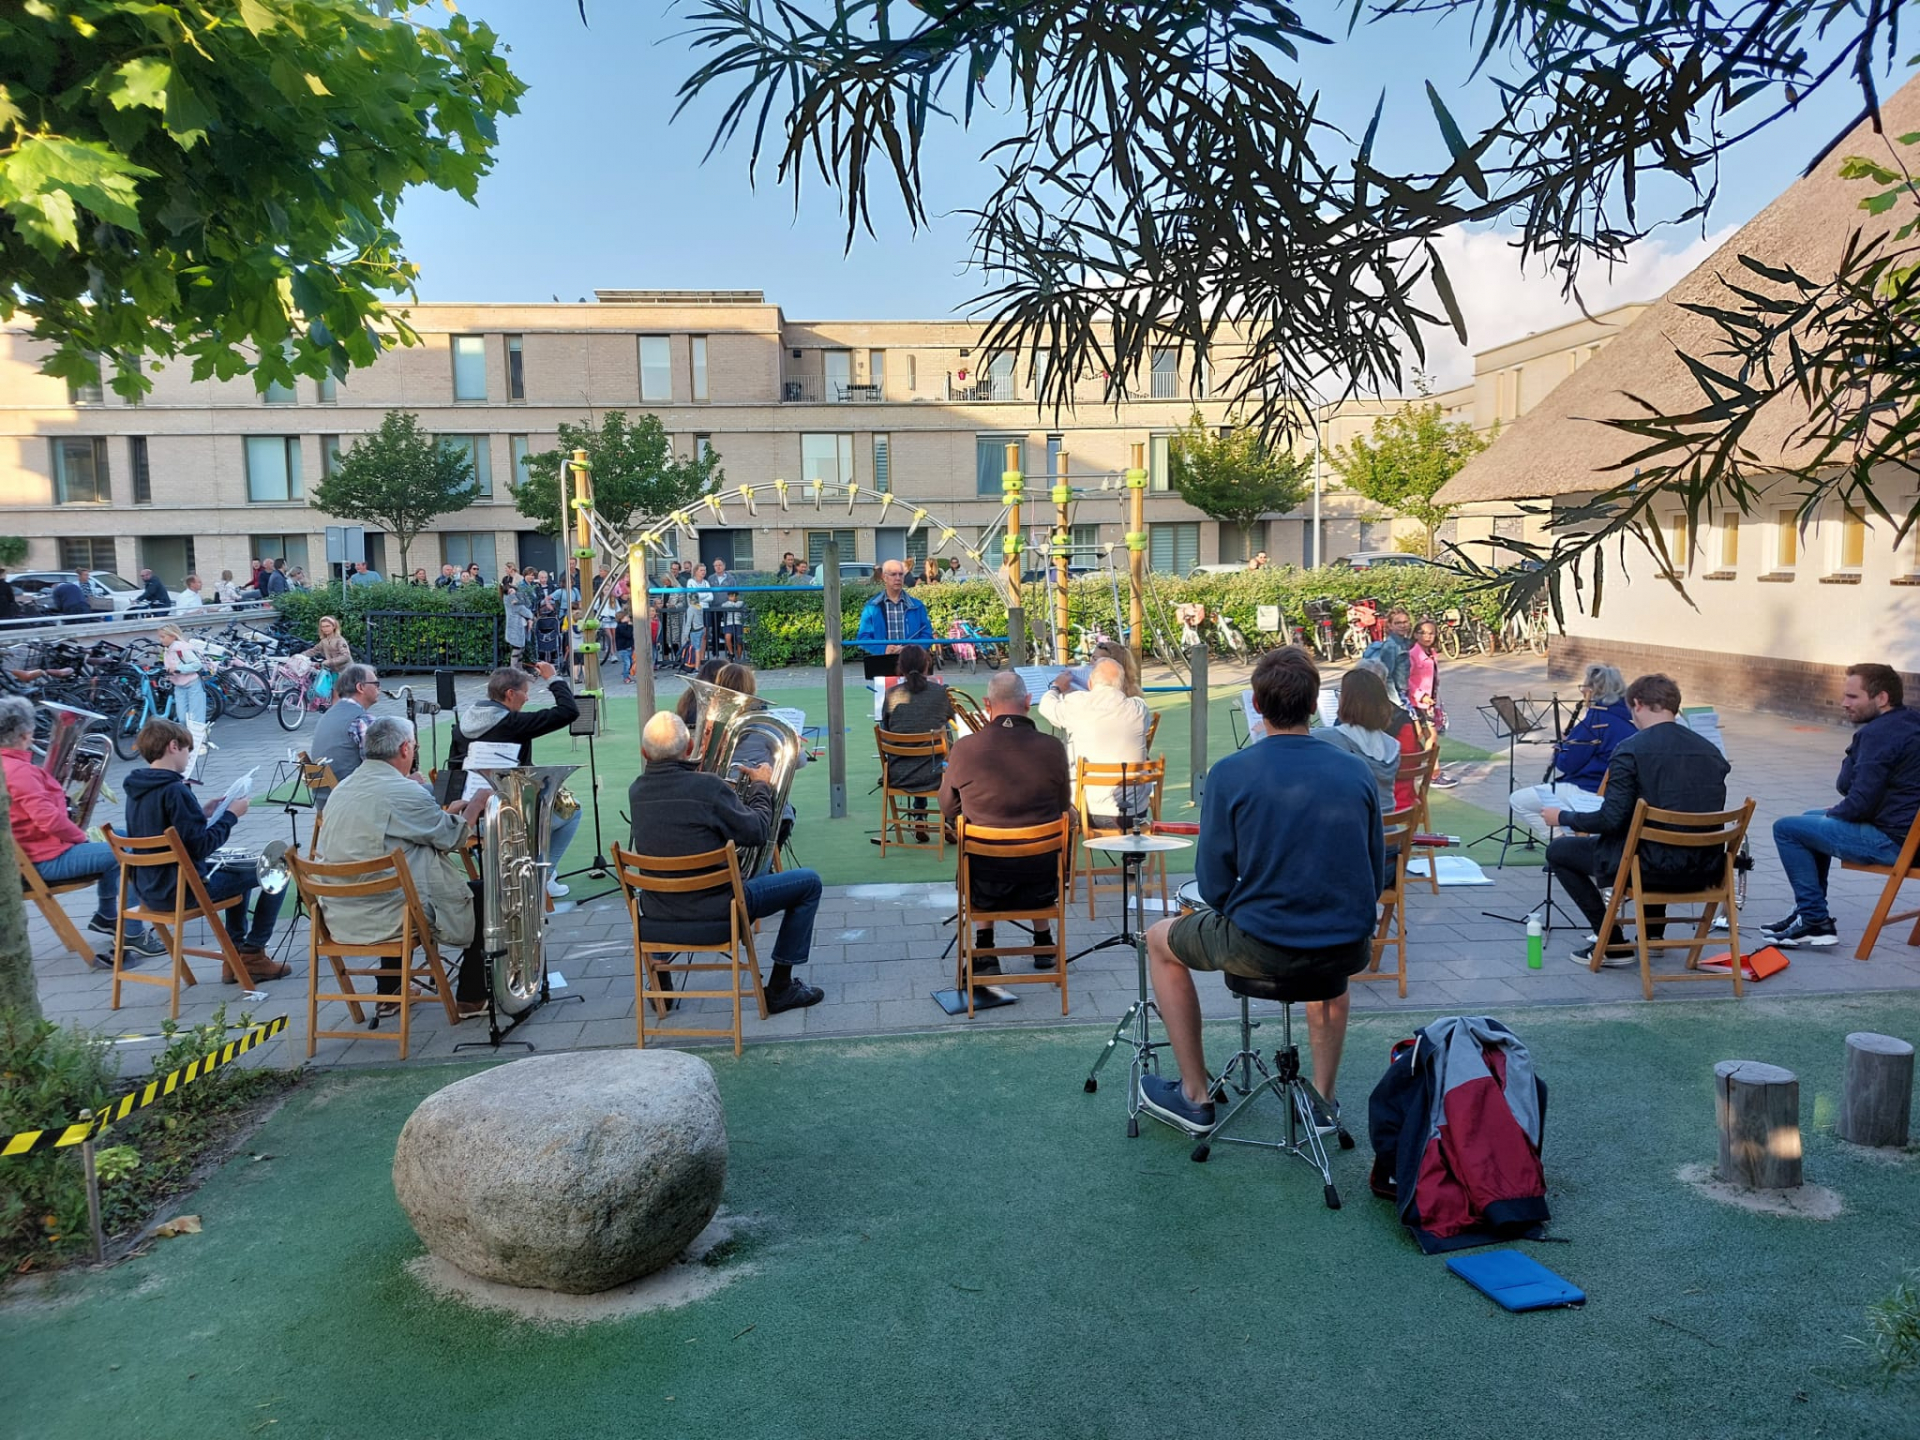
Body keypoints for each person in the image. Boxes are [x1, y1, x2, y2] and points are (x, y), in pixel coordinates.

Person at [1140, 646, 1384, 1135]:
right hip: (1347, 944)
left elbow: (1211, 885)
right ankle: (1322, 1101)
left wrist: (1250, 912)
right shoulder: (1356, 770)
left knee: (1158, 939)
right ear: (1315, 705)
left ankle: (1194, 1095)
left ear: (1255, 701)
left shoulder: (1232, 772)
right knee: (1330, 972)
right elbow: (1374, 876)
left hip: (1261, 945)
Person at [627, 710, 825, 1013]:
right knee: (809, 882)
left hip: (657, 918)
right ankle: (781, 988)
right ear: (690, 745)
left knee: (669, 877)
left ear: (643, 752)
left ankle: (660, 982)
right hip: (720, 914)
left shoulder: (636, 791)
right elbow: (757, 831)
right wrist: (761, 786)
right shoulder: (708, 787)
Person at [1541, 673, 1731, 965]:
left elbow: (1610, 820)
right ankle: (1654, 935)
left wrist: (1563, 817)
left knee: (1560, 851)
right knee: (1663, 829)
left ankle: (1613, 942)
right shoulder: (1711, 751)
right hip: (1705, 869)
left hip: (1649, 868)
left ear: (1638, 704)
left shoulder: (1631, 749)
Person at [314, 715, 494, 1018]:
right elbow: (452, 837)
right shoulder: (405, 792)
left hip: (339, 914)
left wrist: (442, 812)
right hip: (390, 915)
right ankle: (470, 996)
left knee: (389, 876)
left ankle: (390, 991)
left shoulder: (342, 789)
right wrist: (475, 805)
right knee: (487, 893)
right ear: (404, 750)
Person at [1760, 662, 1920, 949]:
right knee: (1809, 819)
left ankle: (1815, 921)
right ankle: (1807, 915)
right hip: (1911, 836)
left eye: (1853, 697)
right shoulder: (1910, 721)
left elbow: (1855, 799)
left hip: (1896, 843)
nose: (1844, 703)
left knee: (1787, 828)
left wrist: (1855, 748)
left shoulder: (1878, 735)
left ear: (1881, 698)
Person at [122, 719, 291, 980]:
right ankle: (253, 952)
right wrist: (231, 816)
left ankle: (234, 954)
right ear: (173, 746)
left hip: (151, 889)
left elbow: (170, 833)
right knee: (278, 865)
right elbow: (201, 846)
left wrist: (202, 814)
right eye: (188, 750)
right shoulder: (175, 790)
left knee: (240, 869)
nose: (188, 757)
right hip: (182, 890)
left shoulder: (137, 789)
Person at [0, 696, 166, 961]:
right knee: (133, 849)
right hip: (42, 860)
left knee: (123, 836)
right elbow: (50, 821)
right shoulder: (20, 772)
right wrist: (79, 838)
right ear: (25, 733)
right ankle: (133, 934)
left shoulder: (11, 766)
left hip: (27, 856)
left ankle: (107, 915)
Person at [939, 670, 1072, 973]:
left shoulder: (965, 748)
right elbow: (1062, 806)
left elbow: (947, 807)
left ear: (987, 704)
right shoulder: (1053, 748)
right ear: (1028, 701)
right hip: (1042, 881)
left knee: (981, 839)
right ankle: (1043, 940)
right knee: (1036, 833)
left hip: (985, 882)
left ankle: (984, 946)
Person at [449, 663, 582, 898]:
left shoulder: (461, 726)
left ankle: (492, 856)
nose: (527, 698)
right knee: (572, 811)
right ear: (510, 694)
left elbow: (453, 768)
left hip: (471, 814)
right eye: (525, 692)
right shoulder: (512, 723)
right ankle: (544, 874)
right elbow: (569, 711)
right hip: (509, 814)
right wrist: (553, 679)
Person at [1508, 664, 1633, 838]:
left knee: (1518, 800)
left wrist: (1561, 747)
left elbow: (1567, 765)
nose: (1582, 692)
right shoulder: (1631, 716)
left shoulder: (1597, 719)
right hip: (1619, 792)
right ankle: (1573, 839)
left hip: (1589, 789)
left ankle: (1562, 845)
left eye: (1584, 687)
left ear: (1593, 690)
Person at [1041, 657, 1152, 824]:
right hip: (1134, 811)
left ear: (1090, 684)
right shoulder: (1139, 708)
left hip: (1086, 810)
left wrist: (1056, 687)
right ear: (1121, 685)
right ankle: (1134, 849)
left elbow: (1046, 706)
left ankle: (1068, 847)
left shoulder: (1076, 703)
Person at [881, 645, 953, 840]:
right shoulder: (939, 693)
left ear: (900, 667)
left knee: (917, 748)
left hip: (898, 774)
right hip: (935, 774)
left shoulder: (890, 695)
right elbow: (951, 717)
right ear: (926, 665)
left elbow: (885, 730)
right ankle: (950, 819)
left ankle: (919, 816)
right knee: (942, 736)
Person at [1313, 666, 1402, 813]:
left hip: (1357, 832)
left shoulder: (1329, 739)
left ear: (1347, 701)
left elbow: (1287, 741)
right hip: (1392, 831)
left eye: (1341, 693)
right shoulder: (1393, 746)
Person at [307, 663, 382, 805]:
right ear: (360, 687)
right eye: (376, 684)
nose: (379, 688)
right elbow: (379, 766)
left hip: (325, 799)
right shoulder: (362, 719)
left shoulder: (329, 714)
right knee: (423, 793)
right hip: (352, 801)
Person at [157, 623, 212, 768]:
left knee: (196, 715)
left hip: (192, 683)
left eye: (163, 636)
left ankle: (200, 743)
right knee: (182, 717)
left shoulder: (181, 647)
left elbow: (197, 664)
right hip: (179, 685)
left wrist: (178, 668)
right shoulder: (167, 649)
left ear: (172, 636)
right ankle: (188, 742)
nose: (161, 640)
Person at [855, 560, 934, 653]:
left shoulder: (917, 606)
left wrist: (909, 649)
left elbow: (927, 635)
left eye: (901, 574)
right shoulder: (872, 606)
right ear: (884, 577)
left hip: (911, 661)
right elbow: (863, 638)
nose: (898, 578)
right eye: (893, 574)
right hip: (883, 661)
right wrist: (883, 649)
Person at [304, 615, 352, 704]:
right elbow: (314, 650)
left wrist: (328, 662)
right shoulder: (324, 641)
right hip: (333, 670)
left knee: (336, 694)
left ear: (334, 626)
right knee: (332, 693)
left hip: (343, 671)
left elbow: (346, 656)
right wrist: (301, 656)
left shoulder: (340, 640)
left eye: (327, 626)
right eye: (323, 627)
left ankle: (335, 713)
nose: (325, 629)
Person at [501, 579, 534, 667]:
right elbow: (523, 610)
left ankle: (518, 669)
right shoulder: (512, 598)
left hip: (516, 626)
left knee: (520, 649)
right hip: (516, 627)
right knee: (518, 649)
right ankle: (514, 669)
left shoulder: (510, 597)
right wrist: (531, 617)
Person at [613, 607, 636, 682]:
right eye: (626, 617)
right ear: (622, 619)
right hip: (623, 648)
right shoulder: (621, 626)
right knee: (627, 663)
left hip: (628, 647)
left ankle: (629, 675)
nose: (628, 617)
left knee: (630, 662)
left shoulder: (624, 626)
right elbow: (628, 634)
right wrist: (630, 626)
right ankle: (626, 677)